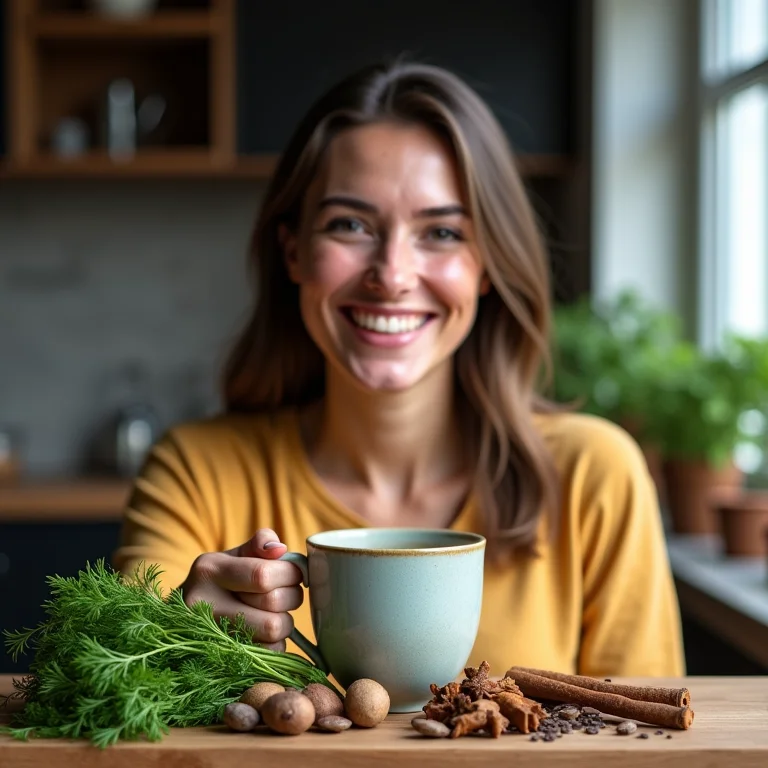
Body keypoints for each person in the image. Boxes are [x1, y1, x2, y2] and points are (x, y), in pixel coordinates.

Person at [113, 60, 685, 677]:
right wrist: (176, 640)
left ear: (487, 264)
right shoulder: (197, 473)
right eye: (350, 225)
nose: (392, 275)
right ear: (294, 252)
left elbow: (647, 738)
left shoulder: (593, 478)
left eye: (440, 232)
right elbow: (108, 684)